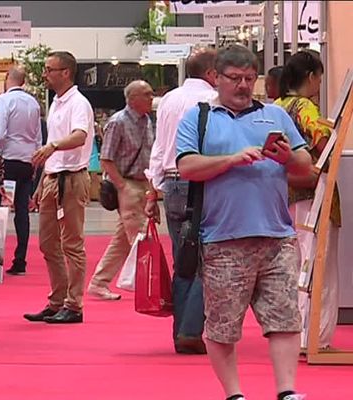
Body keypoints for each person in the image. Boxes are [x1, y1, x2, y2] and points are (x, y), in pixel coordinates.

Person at [176, 45, 311, 400]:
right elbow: (187, 167)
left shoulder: (276, 116)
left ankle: (287, 391)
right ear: (216, 78)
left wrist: (288, 157)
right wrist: (231, 160)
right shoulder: (199, 118)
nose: (243, 86)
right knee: (221, 327)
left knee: (284, 319)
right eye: (235, 79)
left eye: (250, 79)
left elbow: (305, 167)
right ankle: (234, 394)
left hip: (277, 235)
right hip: (222, 238)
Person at [145, 48, 218, 354]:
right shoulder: (214, 100)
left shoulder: (168, 100)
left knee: (182, 257)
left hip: (173, 182)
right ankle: (190, 329)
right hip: (203, 181)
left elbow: (159, 147)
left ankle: (181, 331)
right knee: (207, 257)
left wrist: (153, 189)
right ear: (213, 73)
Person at [275, 50, 341, 351]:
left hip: (284, 193)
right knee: (320, 266)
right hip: (314, 194)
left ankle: (295, 331)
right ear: (312, 77)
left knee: (296, 265)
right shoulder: (305, 107)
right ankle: (316, 335)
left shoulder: (276, 106)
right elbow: (322, 140)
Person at [24, 51, 95, 324]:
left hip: (73, 177)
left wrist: (52, 146)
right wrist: (42, 182)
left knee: (72, 244)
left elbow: (79, 136)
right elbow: (52, 145)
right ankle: (57, 300)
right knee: (47, 243)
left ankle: (74, 304)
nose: (45, 74)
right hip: (53, 177)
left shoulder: (79, 103)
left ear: (65, 72)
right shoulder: (56, 103)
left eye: (49, 69)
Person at [87, 80, 155, 301]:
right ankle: (148, 286)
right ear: (133, 99)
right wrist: (122, 186)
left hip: (142, 183)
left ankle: (99, 282)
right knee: (141, 238)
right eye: (147, 94)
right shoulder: (118, 122)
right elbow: (106, 158)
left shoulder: (147, 121)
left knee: (123, 240)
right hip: (127, 184)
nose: (151, 98)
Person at [0, 66, 42, 275]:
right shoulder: (33, 103)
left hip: (8, 160)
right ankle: (20, 260)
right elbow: (39, 137)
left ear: (7, 79)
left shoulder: (4, 100)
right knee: (22, 212)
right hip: (27, 160)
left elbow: (0, 133)